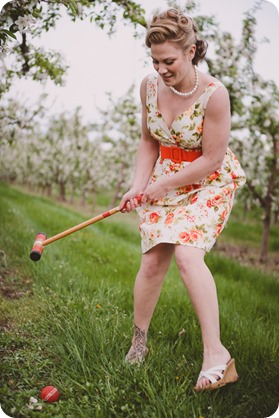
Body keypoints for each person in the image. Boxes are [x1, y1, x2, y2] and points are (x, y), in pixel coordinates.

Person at [120, 7, 246, 391]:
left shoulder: (214, 95)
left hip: (208, 181)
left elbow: (211, 159)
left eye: (169, 60)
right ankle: (139, 342)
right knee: (154, 260)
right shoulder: (149, 86)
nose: (161, 69)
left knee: (189, 255)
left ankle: (216, 356)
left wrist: (164, 184)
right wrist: (138, 184)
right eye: (155, 61)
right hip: (164, 177)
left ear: (191, 51)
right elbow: (148, 141)